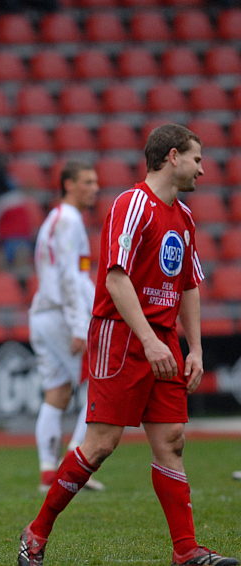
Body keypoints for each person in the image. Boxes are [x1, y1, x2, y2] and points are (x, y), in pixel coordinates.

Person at [18, 124, 238, 566]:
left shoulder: (186, 216)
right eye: (197, 158)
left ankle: (186, 551)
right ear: (172, 156)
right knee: (100, 444)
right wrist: (147, 340)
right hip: (121, 337)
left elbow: (189, 285)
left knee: (172, 440)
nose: (202, 168)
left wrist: (193, 348)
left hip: (162, 341)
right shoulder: (131, 203)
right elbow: (115, 278)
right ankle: (36, 533)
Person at [29, 161, 105, 493]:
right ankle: (76, 462)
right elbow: (70, 276)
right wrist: (79, 323)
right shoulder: (69, 221)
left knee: (57, 391)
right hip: (61, 314)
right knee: (95, 382)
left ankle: (48, 472)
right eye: (88, 181)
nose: (95, 188)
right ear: (69, 184)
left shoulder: (55, 220)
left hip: (43, 312)